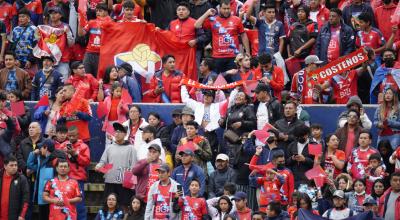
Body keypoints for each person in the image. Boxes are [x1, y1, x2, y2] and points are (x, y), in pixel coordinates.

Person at [195, 0, 250, 73]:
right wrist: (207, 13)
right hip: (217, 57)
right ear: (219, 8)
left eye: (228, 8)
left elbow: (243, 35)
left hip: (233, 56)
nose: (226, 11)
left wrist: (248, 51)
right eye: (224, 9)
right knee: (218, 81)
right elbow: (196, 25)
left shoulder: (236, 20)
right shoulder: (213, 20)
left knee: (232, 82)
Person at [95, 122, 138, 210]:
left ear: (125, 134)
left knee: (124, 206)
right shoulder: (109, 147)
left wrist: (130, 184)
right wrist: (99, 166)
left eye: (120, 132)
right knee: (108, 205)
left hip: (124, 184)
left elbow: (134, 167)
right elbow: (103, 161)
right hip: (110, 181)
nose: (117, 134)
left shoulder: (131, 148)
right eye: (116, 132)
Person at [57, 126, 90, 220]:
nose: (71, 138)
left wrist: (75, 154)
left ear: (78, 135)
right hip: (64, 179)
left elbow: (86, 162)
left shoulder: (84, 146)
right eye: (69, 136)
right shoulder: (63, 145)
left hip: (78, 179)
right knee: (63, 206)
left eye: (73, 136)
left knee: (79, 206)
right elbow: (55, 161)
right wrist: (62, 154)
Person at [219, 91, 256, 165]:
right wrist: (221, 121)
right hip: (229, 141)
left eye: (241, 95)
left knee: (240, 164)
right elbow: (224, 125)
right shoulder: (230, 109)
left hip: (241, 142)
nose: (238, 96)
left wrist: (242, 123)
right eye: (237, 95)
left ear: (245, 100)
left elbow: (254, 123)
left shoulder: (248, 108)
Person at [78, 3, 112, 77]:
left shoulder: (111, 23)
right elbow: (81, 34)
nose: (98, 13)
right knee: (85, 76)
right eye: (97, 11)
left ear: (106, 12)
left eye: (100, 11)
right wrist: (80, 22)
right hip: (89, 52)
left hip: (102, 54)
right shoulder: (92, 22)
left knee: (99, 77)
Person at [26, 139, 56, 220]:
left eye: (41, 147)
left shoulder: (55, 159)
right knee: (42, 216)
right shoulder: (40, 159)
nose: (39, 150)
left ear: (46, 148)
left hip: (53, 196)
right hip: (42, 196)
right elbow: (29, 164)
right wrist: (33, 154)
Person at [45, 6, 74, 79]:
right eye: (51, 13)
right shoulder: (46, 28)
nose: (52, 15)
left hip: (63, 60)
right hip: (49, 61)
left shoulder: (66, 26)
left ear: (61, 15)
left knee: (63, 85)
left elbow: (71, 44)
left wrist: (68, 33)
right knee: (49, 85)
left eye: (55, 13)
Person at [0, 156, 29, 220]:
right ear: (5, 166)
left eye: (16, 165)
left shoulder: (22, 179)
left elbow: (26, 199)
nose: (14, 167)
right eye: (11, 165)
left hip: (14, 217)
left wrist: (22, 215)